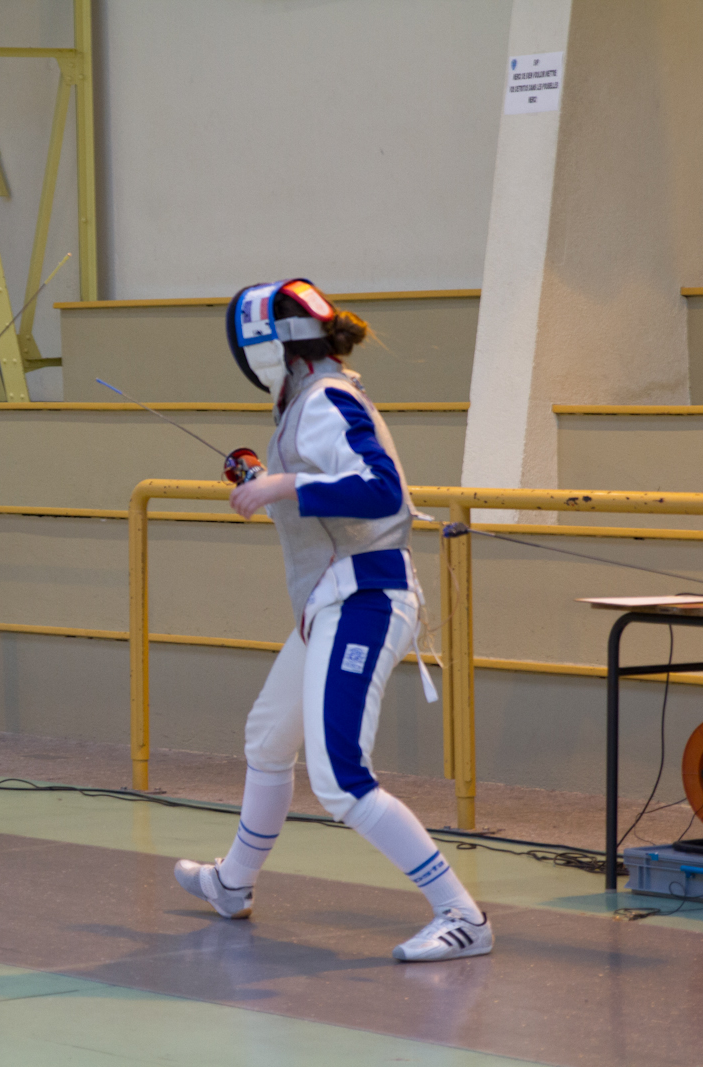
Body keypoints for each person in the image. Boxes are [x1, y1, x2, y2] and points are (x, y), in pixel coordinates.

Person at [172, 279, 493, 962]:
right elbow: (328, 480)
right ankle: (232, 882)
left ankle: (463, 915)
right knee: (268, 738)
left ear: (266, 349)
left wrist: (283, 483)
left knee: (341, 778)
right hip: (330, 601)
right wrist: (266, 476)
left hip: (365, 598)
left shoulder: (325, 398)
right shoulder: (310, 398)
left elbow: (382, 490)